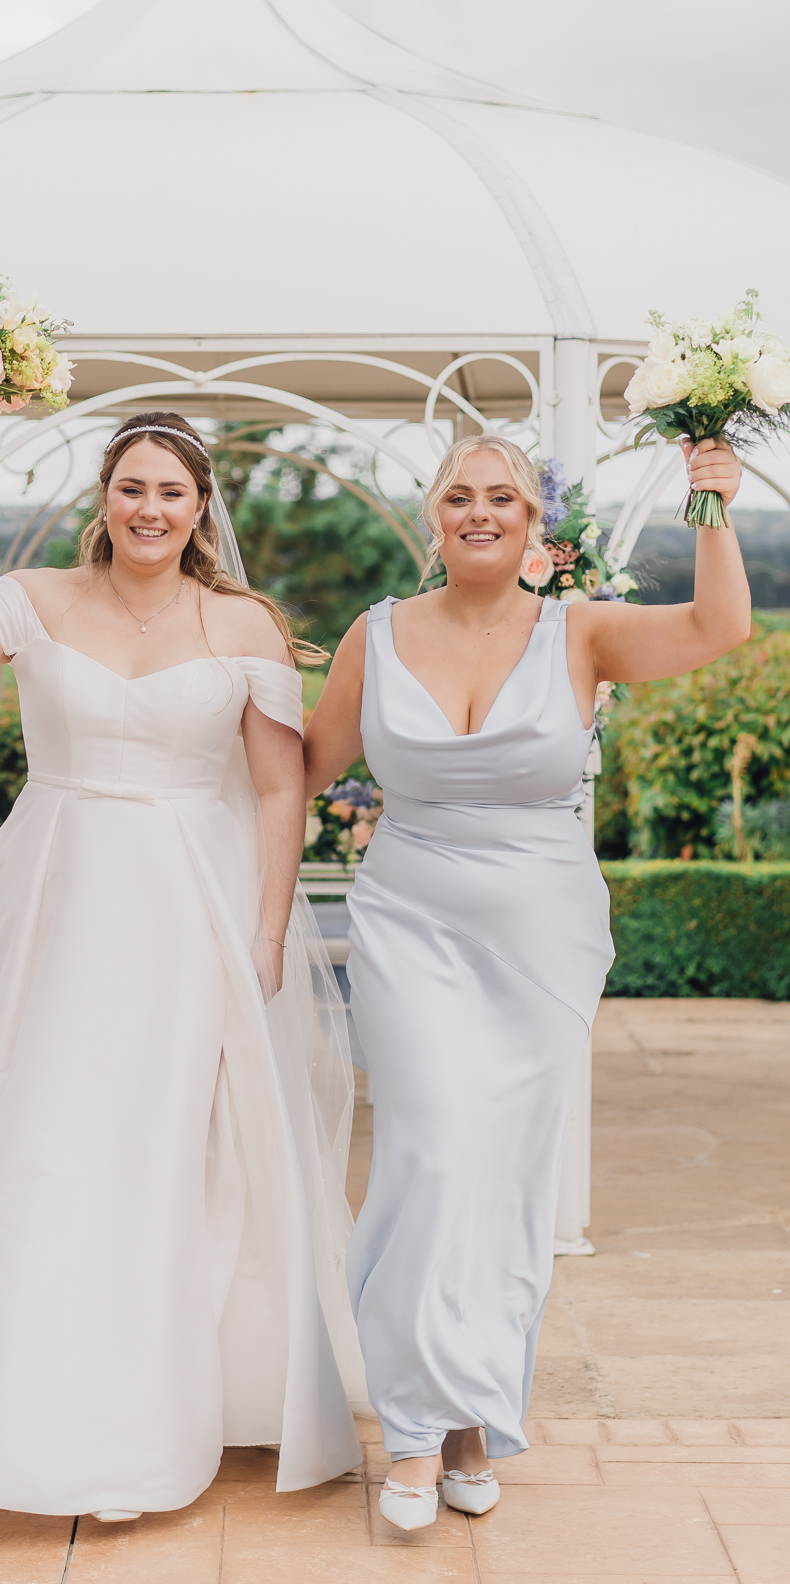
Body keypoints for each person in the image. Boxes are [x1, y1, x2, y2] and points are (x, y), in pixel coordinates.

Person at [0, 410, 364, 1518]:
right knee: (43, 1125)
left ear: (202, 505)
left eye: (171, 489)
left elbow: (276, 786)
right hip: (58, 890)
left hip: (186, 905)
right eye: (131, 488)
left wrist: (266, 928)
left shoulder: (244, 623)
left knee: (164, 1133)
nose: (150, 508)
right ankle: (20, 1396)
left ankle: (178, 1376)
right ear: (103, 498)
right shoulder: (38, 598)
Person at [303, 431, 751, 1532]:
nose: (479, 509)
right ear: (432, 520)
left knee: (503, 1180)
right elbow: (300, 768)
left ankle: (470, 1420)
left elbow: (718, 625)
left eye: (502, 494)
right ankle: (412, 1430)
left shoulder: (581, 629)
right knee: (430, 1151)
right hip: (409, 922)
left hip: (541, 942)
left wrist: (715, 503)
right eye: (458, 494)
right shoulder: (376, 634)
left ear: (536, 520)